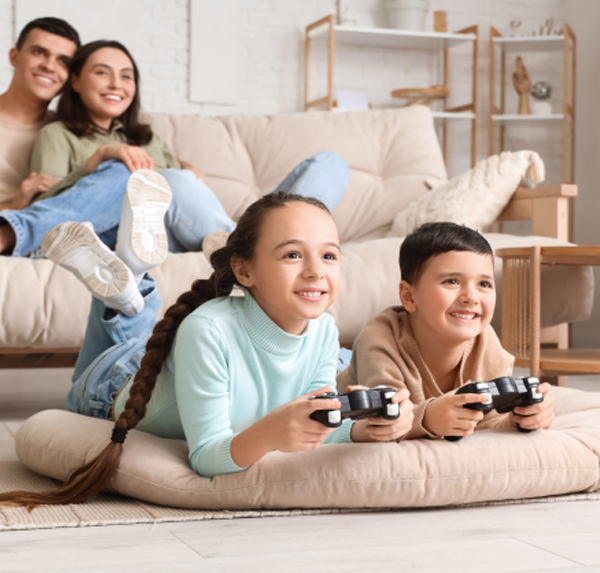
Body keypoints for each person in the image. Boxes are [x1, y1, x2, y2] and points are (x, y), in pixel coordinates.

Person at [0, 191, 414, 507]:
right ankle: (129, 286)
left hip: (173, 359)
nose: (315, 271)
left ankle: (128, 281)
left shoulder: (324, 329)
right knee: (126, 340)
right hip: (115, 386)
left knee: (140, 329)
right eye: (292, 254)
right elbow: (206, 458)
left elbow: (316, 424)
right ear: (244, 269)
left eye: (328, 255)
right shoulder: (209, 330)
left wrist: (361, 428)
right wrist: (269, 433)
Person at [0, 40, 349, 257]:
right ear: (75, 81)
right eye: (102, 73)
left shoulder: (149, 138)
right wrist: (97, 161)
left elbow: (182, 191)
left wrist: (186, 175)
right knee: (137, 175)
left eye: (126, 76)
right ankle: (249, 247)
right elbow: (56, 206)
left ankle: (249, 243)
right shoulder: (58, 134)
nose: (116, 84)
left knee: (329, 163)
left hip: (201, 227)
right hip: (142, 230)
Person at [337, 222, 555, 440]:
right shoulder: (379, 341)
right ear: (409, 297)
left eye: (484, 284)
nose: (471, 297)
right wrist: (427, 418)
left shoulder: (486, 342)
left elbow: (489, 421)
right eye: (452, 281)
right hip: (343, 366)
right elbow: (386, 422)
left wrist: (523, 418)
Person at [0, 17, 80, 211]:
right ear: (14, 56)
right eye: (39, 52)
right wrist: (14, 206)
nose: (50, 66)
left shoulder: (67, 131)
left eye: (63, 61)